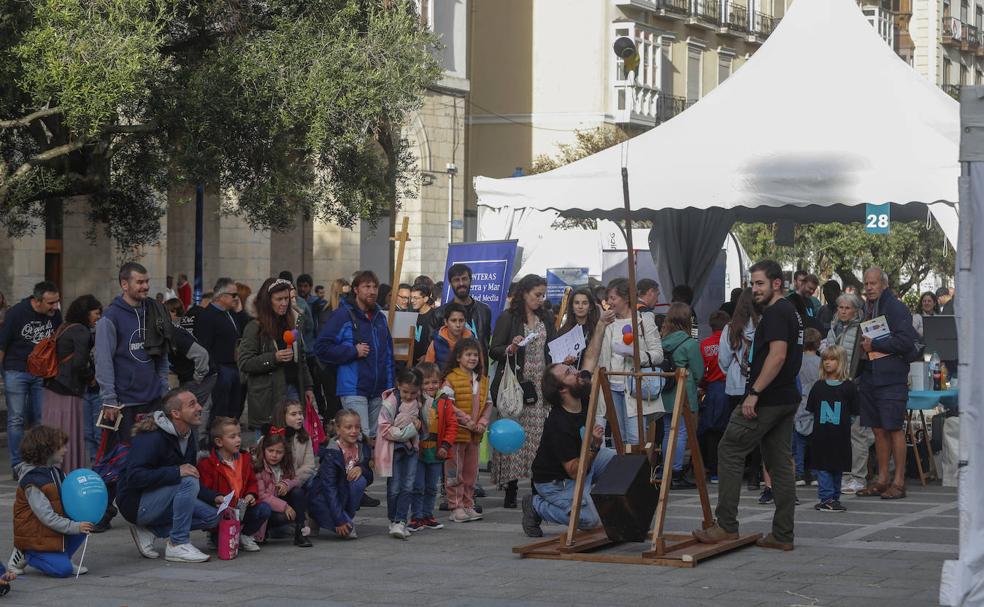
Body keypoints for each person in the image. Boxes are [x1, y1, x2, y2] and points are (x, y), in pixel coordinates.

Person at [694, 259, 804, 552]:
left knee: (729, 449)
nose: (754, 289)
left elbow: (778, 356)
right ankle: (782, 534)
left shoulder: (778, 313)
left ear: (776, 284)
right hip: (784, 397)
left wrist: (754, 393)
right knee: (779, 462)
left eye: (760, 284)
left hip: (768, 398)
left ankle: (726, 525)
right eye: (752, 283)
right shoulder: (788, 311)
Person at [522, 303, 614, 537]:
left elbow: (591, 357)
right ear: (563, 390)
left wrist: (602, 323)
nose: (576, 372)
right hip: (556, 482)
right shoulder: (558, 424)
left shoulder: (581, 393)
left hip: (583, 463)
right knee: (589, 520)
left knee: (615, 460)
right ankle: (536, 505)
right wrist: (593, 444)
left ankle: (593, 500)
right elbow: (574, 470)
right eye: (568, 373)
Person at [94, 263, 171, 529]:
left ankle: (143, 506)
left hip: (152, 399)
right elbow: (103, 361)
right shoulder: (110, 318)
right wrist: (109, 399)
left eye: (147, 281)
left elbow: (161, 353)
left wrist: (164, 389)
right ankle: (101, 511)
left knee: (148, 456)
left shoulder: (153, 311)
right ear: (124, 284)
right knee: (116, 458)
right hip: (123, 403)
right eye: (140, 282)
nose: (145, 287)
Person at [119, 389, 219, 563]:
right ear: (176, 413)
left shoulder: (188, 435)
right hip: (136, 503)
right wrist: (176, 472)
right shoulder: (151, 438)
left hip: (166, 496)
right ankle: (178, 544)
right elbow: (134, 477)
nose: (200, 407)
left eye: (197, 402)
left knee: (214, 516)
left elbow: (191, 474)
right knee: (187, 480)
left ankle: (150, 532)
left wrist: (215, 497)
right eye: (192, 404)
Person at [489, 274, 556, 509]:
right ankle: (511, 486)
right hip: (516, 384)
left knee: (537, 438)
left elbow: (552, 348)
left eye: (542, 295)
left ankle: (538, 486)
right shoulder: (509, 317)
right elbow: (494, 349)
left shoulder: (546, 318)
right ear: (524, 293)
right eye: (536, 295)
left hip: (540, 385)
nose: (540, 299)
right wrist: (511, 347)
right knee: (514, 435)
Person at [855, 267, 915, 500]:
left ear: (884, 284)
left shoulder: (896, 307)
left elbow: (905, 342)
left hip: (891, 377)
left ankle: (899, 481)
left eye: (873, 283)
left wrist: (876, 345)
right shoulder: (867, 308)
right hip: (870, 375)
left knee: (893, 428)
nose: (869, 287)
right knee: (878, 429)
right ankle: (882, 479)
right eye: (866, 284)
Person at [315, 270, 394, 446]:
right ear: (356, 290)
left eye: (375, 287)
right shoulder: (342, 315)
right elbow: (321, 348)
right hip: (353, 389)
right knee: (360, 438)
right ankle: (351, 472)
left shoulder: (380, 318)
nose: (372, 291)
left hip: (378, 390)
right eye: (367, 287)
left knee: (373, 440)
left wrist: (389, 389)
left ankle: (362, 472)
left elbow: (388, 355)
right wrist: (352, 351)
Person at [6, 426, 92, 577]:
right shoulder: (32, 481)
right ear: (47, 450)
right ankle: (26, 553)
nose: (65, 449)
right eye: (61, 447)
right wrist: (74, 526)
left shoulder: (55, 471)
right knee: (63, 570)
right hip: (35, 534)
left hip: (48, 531)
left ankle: (62, 557)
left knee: (85, 524)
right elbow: (47, 517)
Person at [0, 281, 62, 474]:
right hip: (16, 370)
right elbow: (2, 345)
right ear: (37, 301)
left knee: (41, 418)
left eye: (56, 302)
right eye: (50, 303)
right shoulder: (16, 313)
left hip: (42, 373)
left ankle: (39, 463)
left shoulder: (55, 315)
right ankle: (18, 465)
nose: (55, 307)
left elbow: (59, 340)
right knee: (16, 419)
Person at [238, 278, 315, 429]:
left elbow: (301, 359)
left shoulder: (292, 323)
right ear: (268, 301)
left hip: (293, 388)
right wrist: (274, 358)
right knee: (270, 444)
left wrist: (308, 386)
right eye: (279, 299)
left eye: (286, 298)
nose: (284, 303)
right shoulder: (255, 327)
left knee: (295, 438)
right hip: (268, 394)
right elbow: (245, 362)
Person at [596, 278, 663, 448]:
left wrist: (636, 354)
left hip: (635, 386)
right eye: (608, 298)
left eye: (612, 298)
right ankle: (623, 473)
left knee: (636, 438)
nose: (609, 302)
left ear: (626, 298)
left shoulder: (644, 320)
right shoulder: (608, 323)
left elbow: (658, 355)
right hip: (612, 386)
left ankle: (640, 473)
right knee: (620, 438)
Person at [41, 295, 101, 473]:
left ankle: (52, 472)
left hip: (52, 388)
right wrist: (91, 378)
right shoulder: (81, 331)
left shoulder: (64, 327)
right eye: (96, 313)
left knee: (53, 431)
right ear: (86, 313)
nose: (98, 317)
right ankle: (68, 471)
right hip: (68, 390)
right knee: (70, 433)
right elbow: (79, 364)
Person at [196, 417, 269, 552]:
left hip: (242, 507)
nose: (238, 440)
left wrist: (251, 494)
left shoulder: (244, 458)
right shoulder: (207, 464)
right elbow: (203, 489)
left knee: (264, 509)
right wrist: (216, 497)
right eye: (232, 437)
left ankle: (245, 535)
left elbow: (252, 481)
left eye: (239, 435)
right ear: (219, 442)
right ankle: (214, 535)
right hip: (222, 511)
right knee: (222, 545)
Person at [822, 292, 870, 494]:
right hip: (836, 385)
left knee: (857, 434)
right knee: (840, 433)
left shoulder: (862, 328)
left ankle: (858, 477)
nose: (843, 311)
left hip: (855, 385)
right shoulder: (834, 327)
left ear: (856, 310)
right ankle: (845, 475)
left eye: (847, 308)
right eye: (840, 307)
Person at [441, 339, 491, 524]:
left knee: (471, 472)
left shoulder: (483, 381)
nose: (473, 358)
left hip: (475, 435)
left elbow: (488, 405)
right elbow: (448, 405)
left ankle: (468, 504)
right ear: (458, 357)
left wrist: (482, 423)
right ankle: (455, 506)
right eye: (468, 354)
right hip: (456, 434)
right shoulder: (450, 379)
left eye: (476, 355)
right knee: (455, 471)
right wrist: (468, 421)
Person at [717, 288, 761, 489]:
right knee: (758, 430)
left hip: (736, 384)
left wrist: (733, 371)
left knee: (737, 431)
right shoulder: (764, 325)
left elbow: (724, 360)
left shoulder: (730, 328)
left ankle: (736, 473)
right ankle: (755, 475)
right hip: (759, 384)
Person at [806, 345, 859, 513]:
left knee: (836, 468)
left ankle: (832, 498)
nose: (828, 363)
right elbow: (812, 410)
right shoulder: (818, 386)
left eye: (832, 359)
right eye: (825, 359)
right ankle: (828, 498)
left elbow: (854, 411)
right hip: (822, 436)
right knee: (824, 467)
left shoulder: (849, 387)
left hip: (840, 436)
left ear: (841, 362)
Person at [309, 409, 373, 539]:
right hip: (324, 496)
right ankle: (315, 517)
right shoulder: (331, 451)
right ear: (338, 430)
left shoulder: (362, 446)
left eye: (357, 427)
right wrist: (339, 519)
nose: (354, 431)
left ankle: (346, 518)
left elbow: (370, 477)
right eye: (348, 427)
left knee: (360, 481)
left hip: (344, 492)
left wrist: (362, 469)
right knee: (347, 530)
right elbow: (329, 488)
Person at [407, 362, 456, 532]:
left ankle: (428, 515)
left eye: (434, 382)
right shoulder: (415, 401)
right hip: (419, 451)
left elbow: (452, 425)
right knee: (418, 485)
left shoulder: (444, 401)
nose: (431, 386)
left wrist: (445, 445)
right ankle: (416, 516)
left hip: (437, 451)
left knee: (431, 486)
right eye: (426, 383)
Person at [659, 303, 704, 489]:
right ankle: (676, 472)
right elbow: (698, 371)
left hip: (665, 392)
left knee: (668, 432)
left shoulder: (662, 342)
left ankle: (665, 470)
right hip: (684, 392)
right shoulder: (690, 344)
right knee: (682, 432)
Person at [164, 298, 218, 452]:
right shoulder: (172, 331)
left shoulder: (175, 333)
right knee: (195, 412)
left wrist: (197, 378)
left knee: (188, 414)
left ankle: (192, 451)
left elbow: (201, 355)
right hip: (198, 375)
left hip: (203, 376)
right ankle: (196, 449)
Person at [375, 368, 422, 539]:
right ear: (398, 385)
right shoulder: (390, 403)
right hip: (393, 448)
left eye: (413, 393)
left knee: (408, 484)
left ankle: (401, 521)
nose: (409, 396)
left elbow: (425, 422)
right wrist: (410, 430)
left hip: (412, 449)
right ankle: (393, 519)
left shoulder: (420, 402)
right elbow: (385, 429)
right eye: (405, 392)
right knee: (394, 486)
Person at [253, 425, 312, 547]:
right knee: (281, 516)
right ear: (264, 450)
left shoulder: (285, 464)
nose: (274, 455)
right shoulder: (258, 467)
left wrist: (286, 484)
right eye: (270, 451)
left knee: (298, 492)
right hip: (267, 507)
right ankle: (264, 531)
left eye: (279, 452)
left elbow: (296, 480)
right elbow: (262, 495)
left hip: (280, 499)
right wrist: (284, 506)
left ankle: (301, 532)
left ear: (285, 453)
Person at [195, 277, 243, 420]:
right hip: (220, 369)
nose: (236, 298)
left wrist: (240, 311)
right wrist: (214, 370)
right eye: (234, 295)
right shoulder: (207, 315)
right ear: (222, 296)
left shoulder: (230, 313)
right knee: (220, 410)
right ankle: (216, 440)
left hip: (234, 366)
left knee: (234, 408)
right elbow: (204, 346)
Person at [698, 310, 730, 482]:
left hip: (712, 390)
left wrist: (703, 386)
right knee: (728, 430)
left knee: (710, 431)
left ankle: (713, 469)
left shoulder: (705, 344)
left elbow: (702, 371)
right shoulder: (732, 342)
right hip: (730, 388)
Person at [435, 264, 493, 355]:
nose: (461, 283)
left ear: (471, 280)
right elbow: (434, 347)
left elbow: (485, 342)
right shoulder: (439, 314)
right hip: (451, 367)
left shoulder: (484, 310)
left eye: (464, 279)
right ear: (450, 283)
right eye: (456, 280)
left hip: (480, 367)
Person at [793, 328, 822, 486]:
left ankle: (799, 474)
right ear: (818, 344)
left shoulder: (797, 361)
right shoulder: (821, 362)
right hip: (816, 403)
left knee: (799, 442)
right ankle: (815, 473)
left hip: (800, 402)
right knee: (817, 442)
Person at [271, 399, 319, 487]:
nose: (299, 417)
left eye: (300, 413)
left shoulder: (305, 437)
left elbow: (309, 465)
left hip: (299, 480)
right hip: (277, 484)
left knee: (316, 481)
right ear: (282, 416)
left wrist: (292, 482)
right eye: (294, 414)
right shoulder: (272, 437)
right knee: (297, 493)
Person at [557, 287, 601, 370]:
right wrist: (564, 361)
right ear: (572, 307)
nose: (580, 306)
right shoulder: (563, 331)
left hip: (591, 376)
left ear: (590, 307)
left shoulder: (596, 329)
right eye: (577, 303)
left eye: (584, 303)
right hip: (569, 377)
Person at [423, 302, 474, 368]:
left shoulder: (473, 342)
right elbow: (428, 371)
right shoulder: (436, 343)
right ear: (446, 322)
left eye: (461, 320)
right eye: (453, 320)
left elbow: (479, 369)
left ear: (465, 321)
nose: (458, 325)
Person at [411, 282, 437, 366]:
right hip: (411, 362)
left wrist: (428, 355)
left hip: (429, 363)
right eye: (411, 298)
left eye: (415, 298)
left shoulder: (435, 316)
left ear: (425, 299)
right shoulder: (411, 315)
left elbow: (437, 341)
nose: (412, 301)